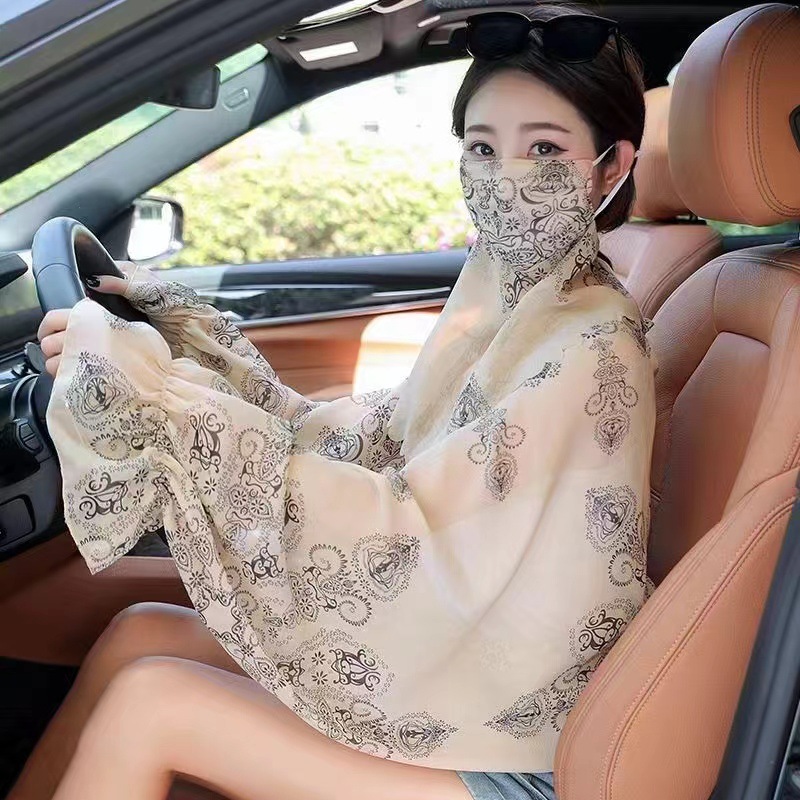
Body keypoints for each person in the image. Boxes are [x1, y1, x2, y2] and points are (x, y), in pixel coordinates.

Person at [11, 4, 654, 799]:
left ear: (611, 167)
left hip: (518, 741)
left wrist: (167, 402)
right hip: (466, 677)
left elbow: (414, 542)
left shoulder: (592, 343)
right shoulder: (510, 291)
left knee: (152, 704)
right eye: (483, 148)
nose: (504, 177)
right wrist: (181, 357)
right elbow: (378, 439)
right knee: (138, 633)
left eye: (545, 150)